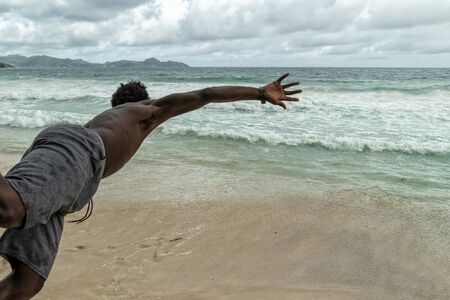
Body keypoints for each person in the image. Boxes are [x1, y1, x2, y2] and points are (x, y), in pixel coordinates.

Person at [0, 73, 301, 299]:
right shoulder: (147, 111)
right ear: (141, 99)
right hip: (80, 152)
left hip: (75, 178)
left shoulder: (111, 118)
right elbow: (206, 93)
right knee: (10, 208)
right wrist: (260, 93)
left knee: (28, 281)